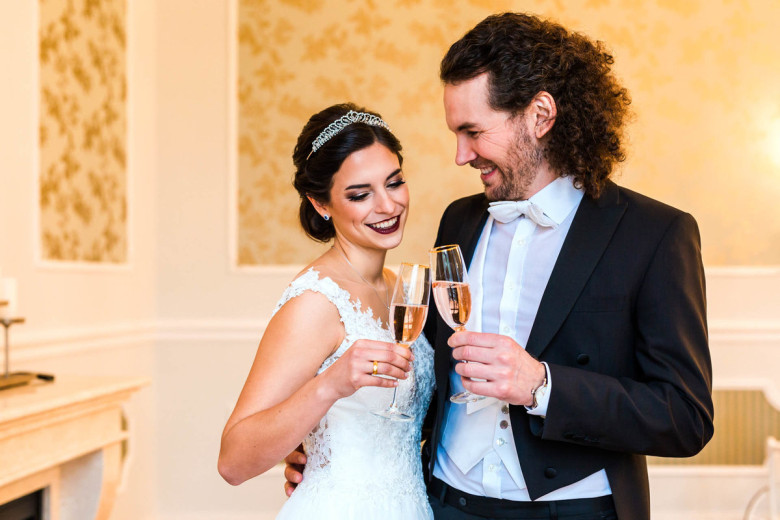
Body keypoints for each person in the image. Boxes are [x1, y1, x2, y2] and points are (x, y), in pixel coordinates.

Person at [285, 12, 714, 520]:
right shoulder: (459, 220)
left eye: (473, 132)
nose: (460, 155)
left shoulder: (654, 234)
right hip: (445, 504)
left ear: (540, 115)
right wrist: (334, 451)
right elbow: (431, 374)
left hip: (575, 511)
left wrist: (541, 385)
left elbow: (685, 417)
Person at [219, 103, 435, 519]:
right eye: (360, 194)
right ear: (321, 203)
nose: (387, 205)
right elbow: (233, 461)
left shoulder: (401, 290)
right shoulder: (316, 301)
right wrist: (331, 384)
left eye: (394, 183)